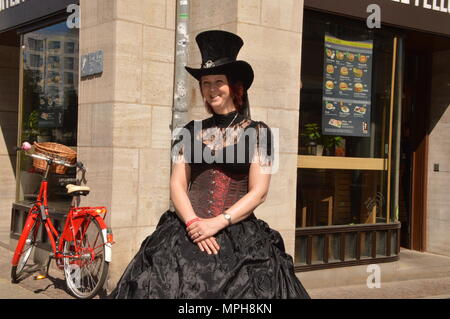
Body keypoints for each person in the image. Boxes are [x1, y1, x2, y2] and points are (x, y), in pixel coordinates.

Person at [109, 30, 310, 299]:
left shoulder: (263, 134)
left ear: (235, 87)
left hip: (238, 235)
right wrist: (195, 224)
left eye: (218, 81)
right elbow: (177, 183)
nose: (211, 89)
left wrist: (216, 223)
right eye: (205, 83)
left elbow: (259, 192)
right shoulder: (187, 131)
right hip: (185, 229)